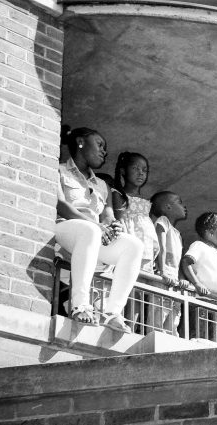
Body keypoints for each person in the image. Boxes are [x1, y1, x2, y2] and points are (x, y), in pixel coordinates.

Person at [56, 127, 143, 333]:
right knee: (90, 230)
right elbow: (61, 205)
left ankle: (112, 313)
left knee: (133, 245)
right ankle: (80, 306)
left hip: (93, 237)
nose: (104, 151)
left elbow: (107, 216)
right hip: (64, 230)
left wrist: (114, 226)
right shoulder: (59, 170)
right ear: (80, 142)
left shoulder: (103, 185)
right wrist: (98, 226)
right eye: (100, 144)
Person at [181, 212, 217, 343]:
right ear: (210, 233)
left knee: (216, 341)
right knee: (199, 337)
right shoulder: (199, 245)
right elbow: (186, 262)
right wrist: (197, 283)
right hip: (202, 300)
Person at [150, 191, 191, 334]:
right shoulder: (163, 221)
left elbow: (177, 261)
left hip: (174, 278)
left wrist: (181, 278)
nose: (184, 206)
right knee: (160, 310)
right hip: (164, 275)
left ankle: (171, 336)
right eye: (179, 202)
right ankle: (154, 334)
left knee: (174, 312)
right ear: (168, 207)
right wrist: (162, 271)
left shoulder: (177, 233)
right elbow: (160, 247)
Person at [112, 152, 159, 273]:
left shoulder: (146, 201)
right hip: (131, 245)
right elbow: (120, 221)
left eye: (144, 170)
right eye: (135, 168)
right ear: (123, 171)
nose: (141, 173)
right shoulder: (118, 194)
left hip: (147, 248)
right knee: (130, 275)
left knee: (144, 279)